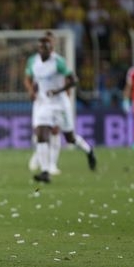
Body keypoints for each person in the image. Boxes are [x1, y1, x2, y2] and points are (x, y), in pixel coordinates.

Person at [24, 36, 96, 183]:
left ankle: (89, 151)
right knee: (41, 134)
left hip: (60, 104)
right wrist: (32, 91)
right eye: (40, 47)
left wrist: (58, 91)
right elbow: (36, 81)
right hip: (44, 104)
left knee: (70, 138)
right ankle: (45, 171)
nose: (42, 50)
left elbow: (74, 80)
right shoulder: (34, 62)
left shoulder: (58, 62)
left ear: (51, 49)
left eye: (45, 48)